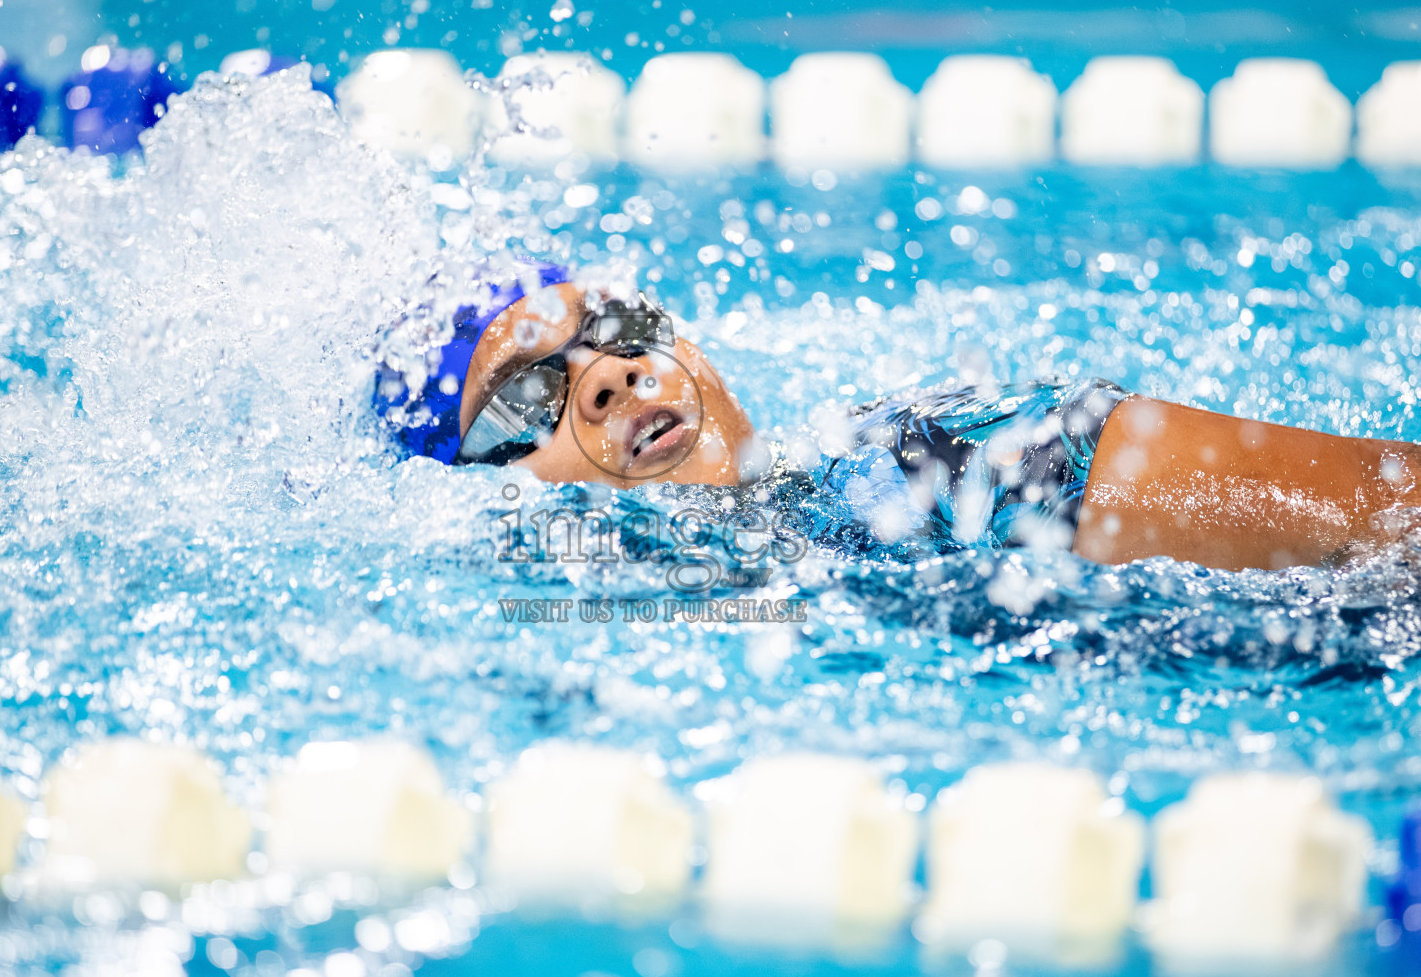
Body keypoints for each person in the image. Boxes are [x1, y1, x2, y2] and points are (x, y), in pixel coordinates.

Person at [374, 264, 1421, 573]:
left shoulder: (950, 459)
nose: (605, 376)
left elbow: (1396, 515)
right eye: (527, 396)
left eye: (610, 325)